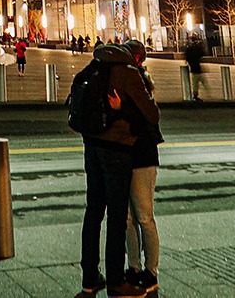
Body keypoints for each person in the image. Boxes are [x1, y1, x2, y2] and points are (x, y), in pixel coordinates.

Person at [72, 38, 156, 297]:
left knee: (93, 212)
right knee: (118, 217)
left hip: (91, 146)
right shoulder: (127, 73)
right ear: (135, 57)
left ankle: (89, 277)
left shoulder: (94, 66)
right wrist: (126, 109)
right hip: (117, 149)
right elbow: (152, 115)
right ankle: (117, 282)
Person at [122, 40, 161, 295]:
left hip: (143, 157)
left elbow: (148, 118)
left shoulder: (141, 85)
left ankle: (151, 271)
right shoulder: (126, 81)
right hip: (123, 157)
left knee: (144, 216)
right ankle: (133, 266)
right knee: (127, 219)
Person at [181, 32, 205, 103]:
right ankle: (195, 95)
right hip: (196, 67)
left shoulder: (189, 48)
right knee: (197, 81)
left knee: (197, 81)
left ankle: (196, 94)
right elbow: (201, 53)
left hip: (194, 66)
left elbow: (187, 55)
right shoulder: (194, 48)